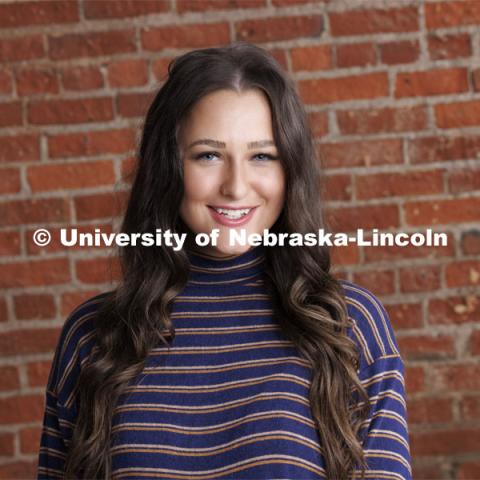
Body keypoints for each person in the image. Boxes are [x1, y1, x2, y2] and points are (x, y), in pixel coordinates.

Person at [37, 42, 412, 480]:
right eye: (208, 155)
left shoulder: (350, 326)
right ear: (168, 167)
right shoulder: (93, 337)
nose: (236, 186)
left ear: (289, 169)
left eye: (262, 156)